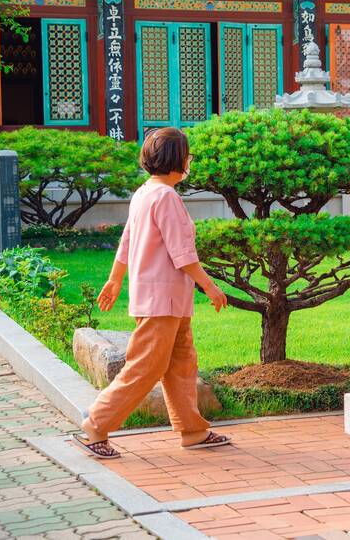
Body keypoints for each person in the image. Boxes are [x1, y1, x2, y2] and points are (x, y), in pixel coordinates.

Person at [73, 127, 231, 459]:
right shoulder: (166, 197)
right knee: (145, 367)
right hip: (163, 301)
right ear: (177, 160)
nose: (190, 161)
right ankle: (95, 424)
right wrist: (211, 286)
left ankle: (193, 430)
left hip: (167, 299)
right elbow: (183, 254)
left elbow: (126, 241)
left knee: (182, 364)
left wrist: (115, 280)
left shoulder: (144, 193)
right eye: (187, 155)